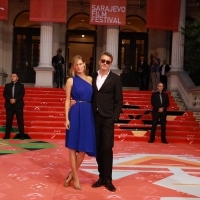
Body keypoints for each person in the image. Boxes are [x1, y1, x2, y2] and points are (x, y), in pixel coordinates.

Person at [91, 52, 123, 192]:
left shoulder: (115, 79)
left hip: (108, 118)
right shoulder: (92, 77)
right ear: (99, 61)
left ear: (111, 64)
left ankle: (108, 179)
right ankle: (101, 177)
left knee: (107, 148)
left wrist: (114, 117)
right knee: (98, 148)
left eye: (108, 62)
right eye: (103, 60)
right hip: (94, 116)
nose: (105, 63)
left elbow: (119, 100)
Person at [64, 55, 96, 190]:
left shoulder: (90, 80)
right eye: (76, 64)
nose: (79, 67)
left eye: (81, 64)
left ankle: (71, 174)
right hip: (75, 112)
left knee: (82, 149)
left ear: (84, 65)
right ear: (73, 66)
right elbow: (67, 100)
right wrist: (66, 118)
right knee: (73, 146)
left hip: (88, 113)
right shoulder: (70, 81)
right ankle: (76, 178)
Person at [3, 73, 25, 140]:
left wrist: (15, 100)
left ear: (17, 78)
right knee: (8, 120)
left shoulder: (21, 86)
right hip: (9, 105)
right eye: (11, 76)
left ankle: (22, 135)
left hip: (18, 105)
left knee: (20, 121)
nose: (12, 77)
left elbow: (22, 94)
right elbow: (4, 94)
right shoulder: (7, 85)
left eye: (14, 76)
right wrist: (10, 99)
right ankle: (7, 135)